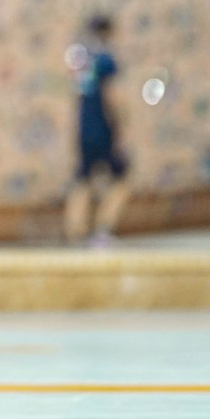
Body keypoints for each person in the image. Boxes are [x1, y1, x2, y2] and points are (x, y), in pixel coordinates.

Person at [64, 14, 129, 246]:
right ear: (107, 33)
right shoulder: (105, 60)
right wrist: (120, 123)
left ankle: (75, 231)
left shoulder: (81, 61)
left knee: (82, 178)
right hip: (103, 127)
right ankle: (103, 229)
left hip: (84, 127)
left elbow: (78, 97)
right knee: (121, 177)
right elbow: (111, 95)